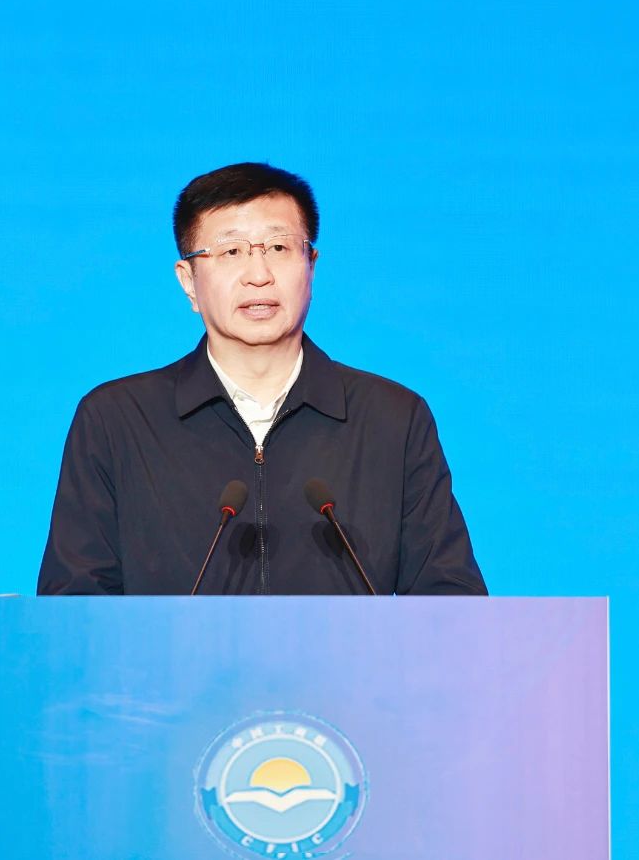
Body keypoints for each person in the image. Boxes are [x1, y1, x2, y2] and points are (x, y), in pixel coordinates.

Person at [37, 162, 486, 595]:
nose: (258, 276)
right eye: (231, 252)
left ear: (311, 264)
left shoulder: (393, 419)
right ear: (189, 281)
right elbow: (73, 609)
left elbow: (451, 603)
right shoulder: (116, 420)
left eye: (278, 248)